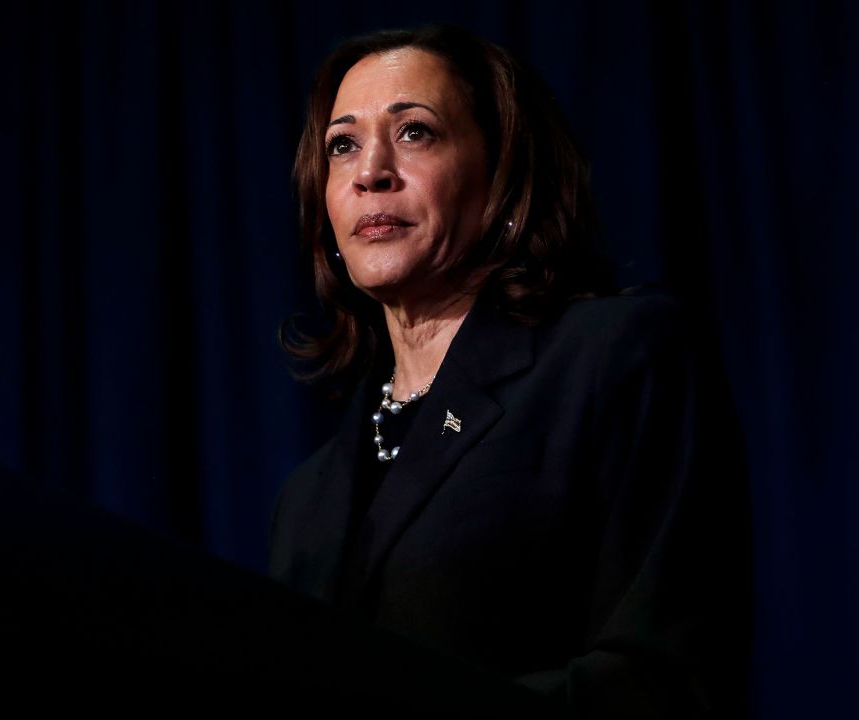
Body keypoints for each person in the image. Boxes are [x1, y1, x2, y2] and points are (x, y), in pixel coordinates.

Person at [270, 25, 750, 716]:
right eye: (342, 145)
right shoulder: (306, 499)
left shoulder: (615, 359)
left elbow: (667, 678)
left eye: (415, 133)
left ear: (501, 175)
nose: (370, 170)